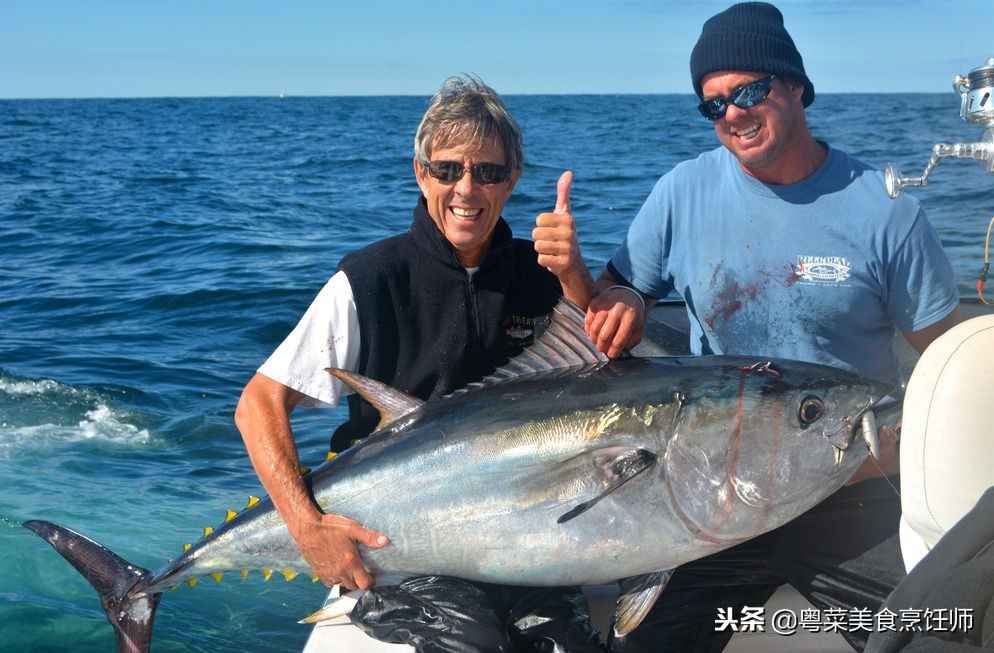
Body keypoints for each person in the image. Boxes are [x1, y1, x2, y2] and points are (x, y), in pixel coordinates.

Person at [584, 3, 962, 651]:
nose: (732, 113)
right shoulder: (682, 193)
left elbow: (951, 362)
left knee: (939, 632)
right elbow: (622, 293)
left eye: (750, 91)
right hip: (713, 504)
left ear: (794, 86)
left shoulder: (885, 213)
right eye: (713, 104)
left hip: (848, 497)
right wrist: (600, 290)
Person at [234, 74, 600, 651]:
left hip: (524, 540)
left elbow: (606, 382)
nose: (467, 189)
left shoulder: (544, 276)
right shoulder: (372, 277)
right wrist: (307, 527)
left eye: (489, 172)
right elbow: (259, 403)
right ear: (421, 173)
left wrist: (577, 278)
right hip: (400, 540)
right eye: (449, 169)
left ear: (512, 183)